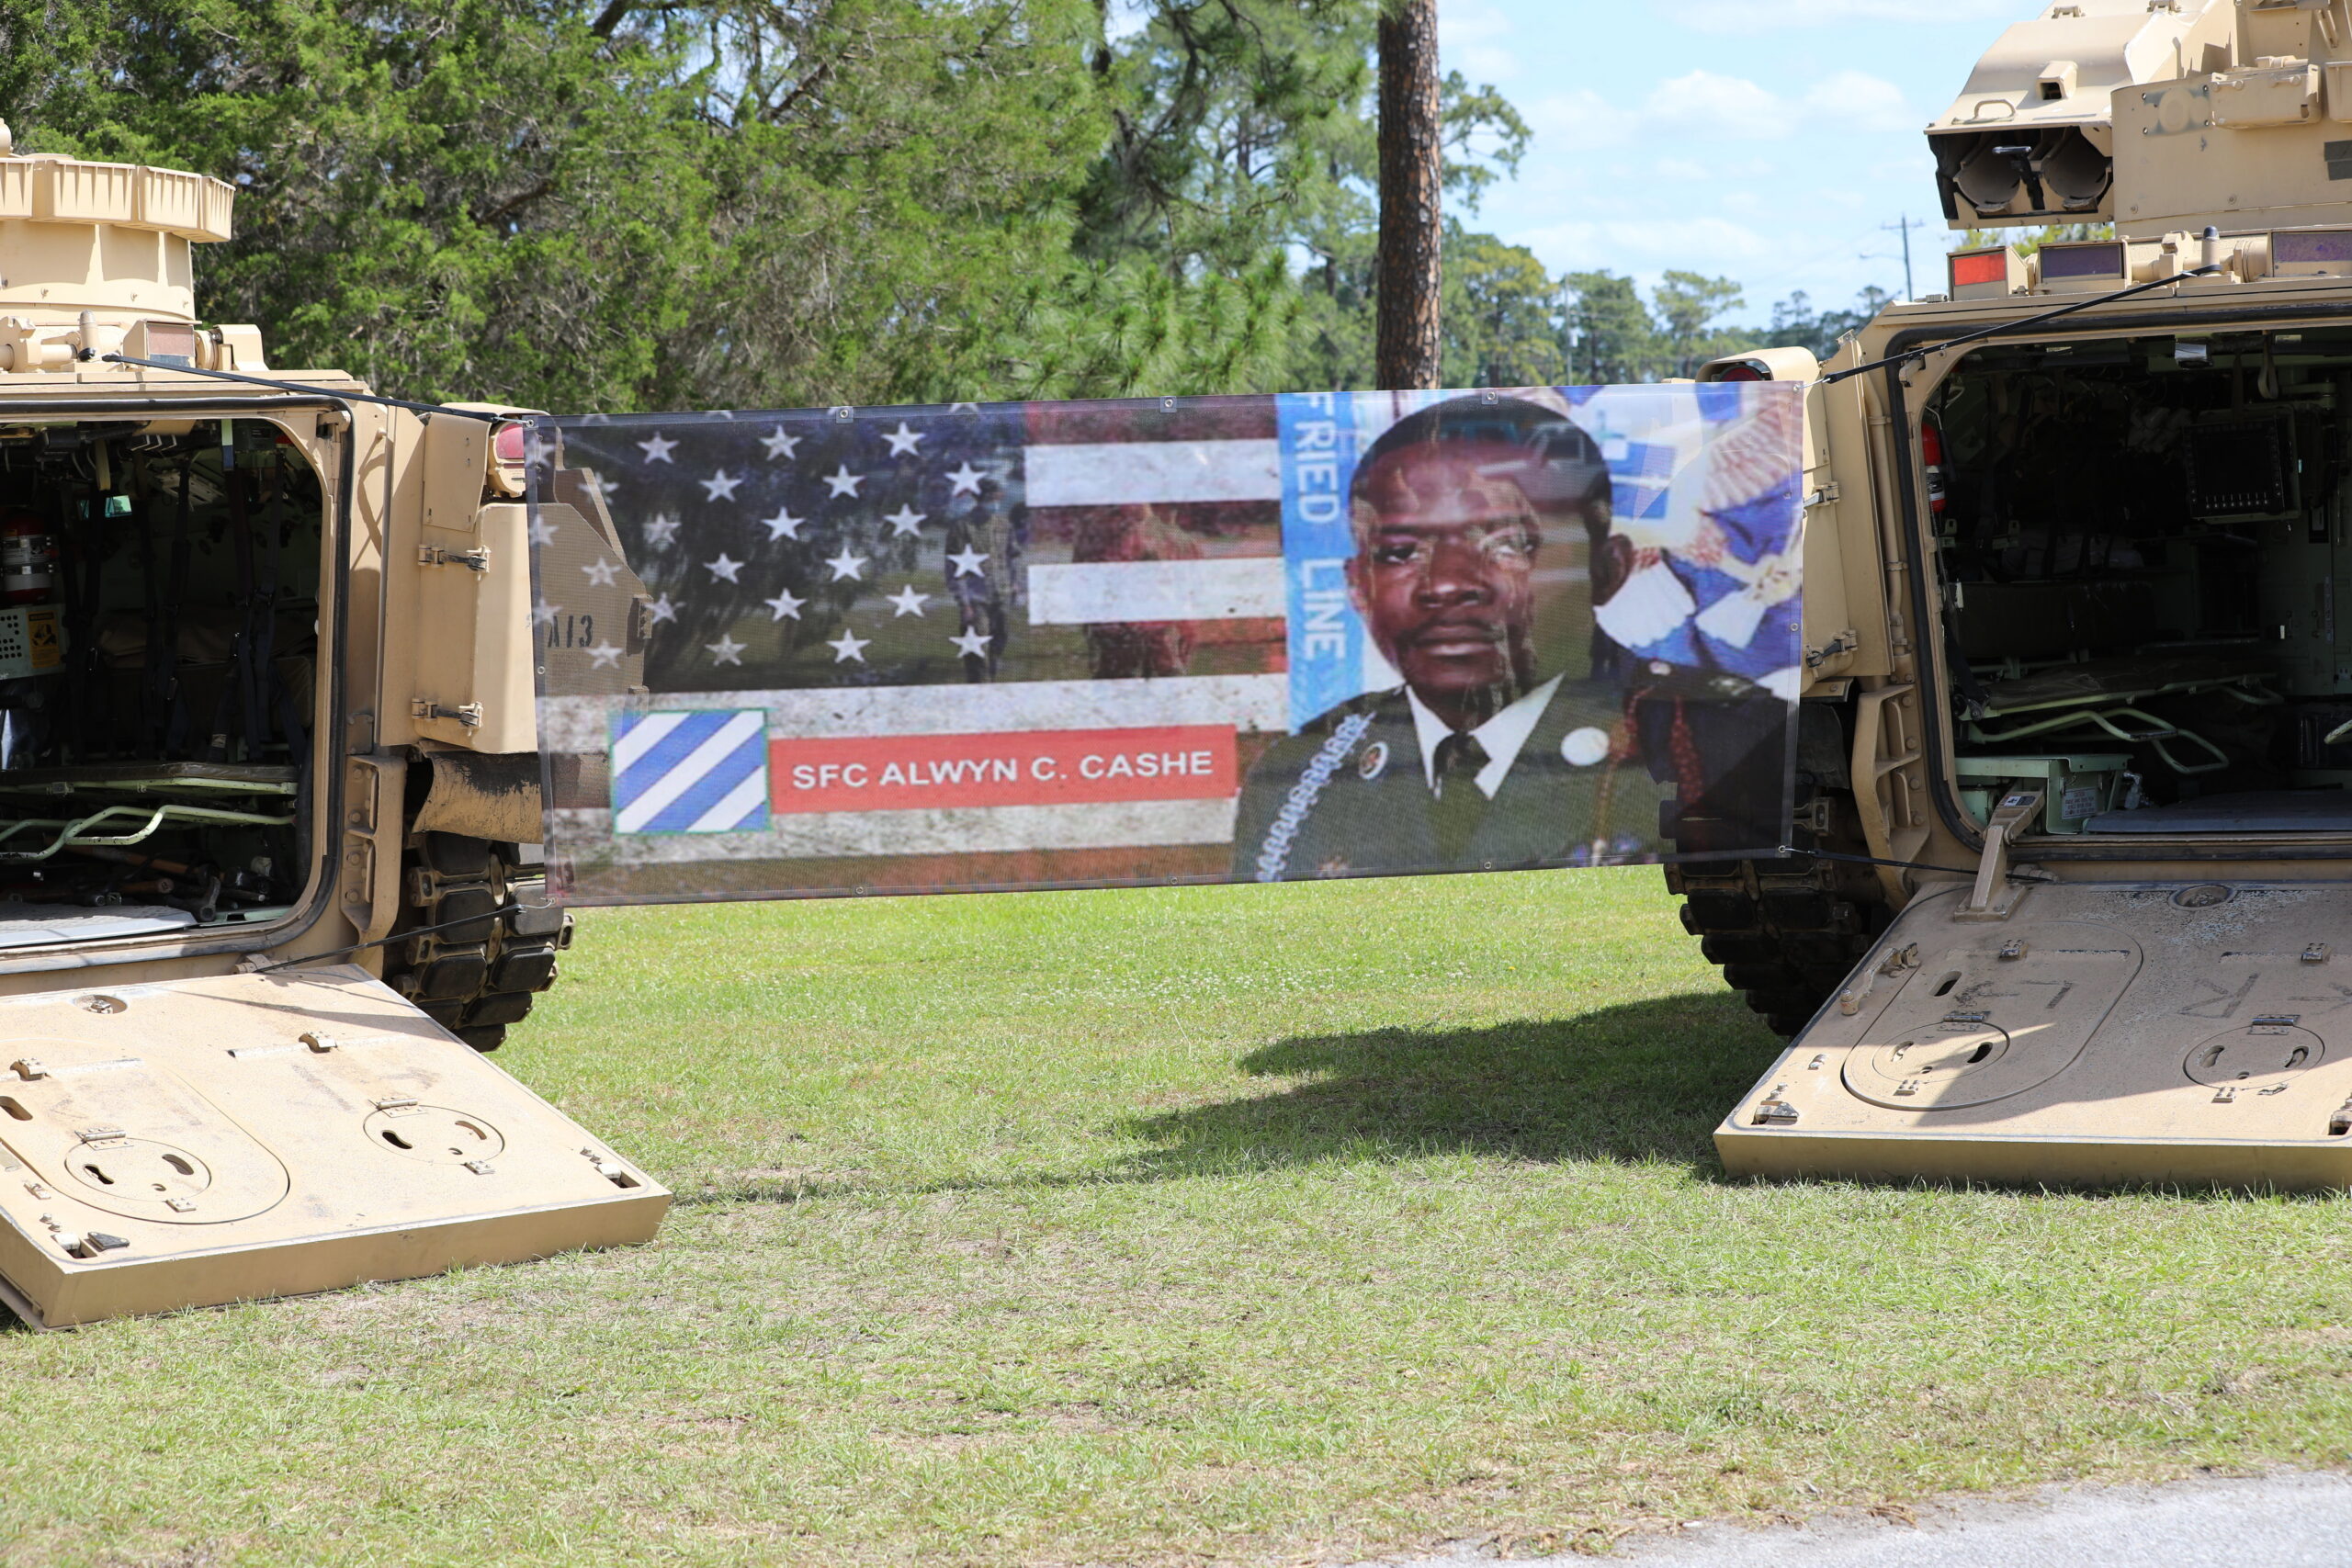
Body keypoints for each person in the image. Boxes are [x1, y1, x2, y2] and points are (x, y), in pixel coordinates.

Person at [1232, 394, 1669, 882]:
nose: (1446, 582)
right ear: (1358, 586)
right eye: (1400, 551)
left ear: (1606, 569)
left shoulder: (1702, 741)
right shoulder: (1297, 773)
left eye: (1507, 542)